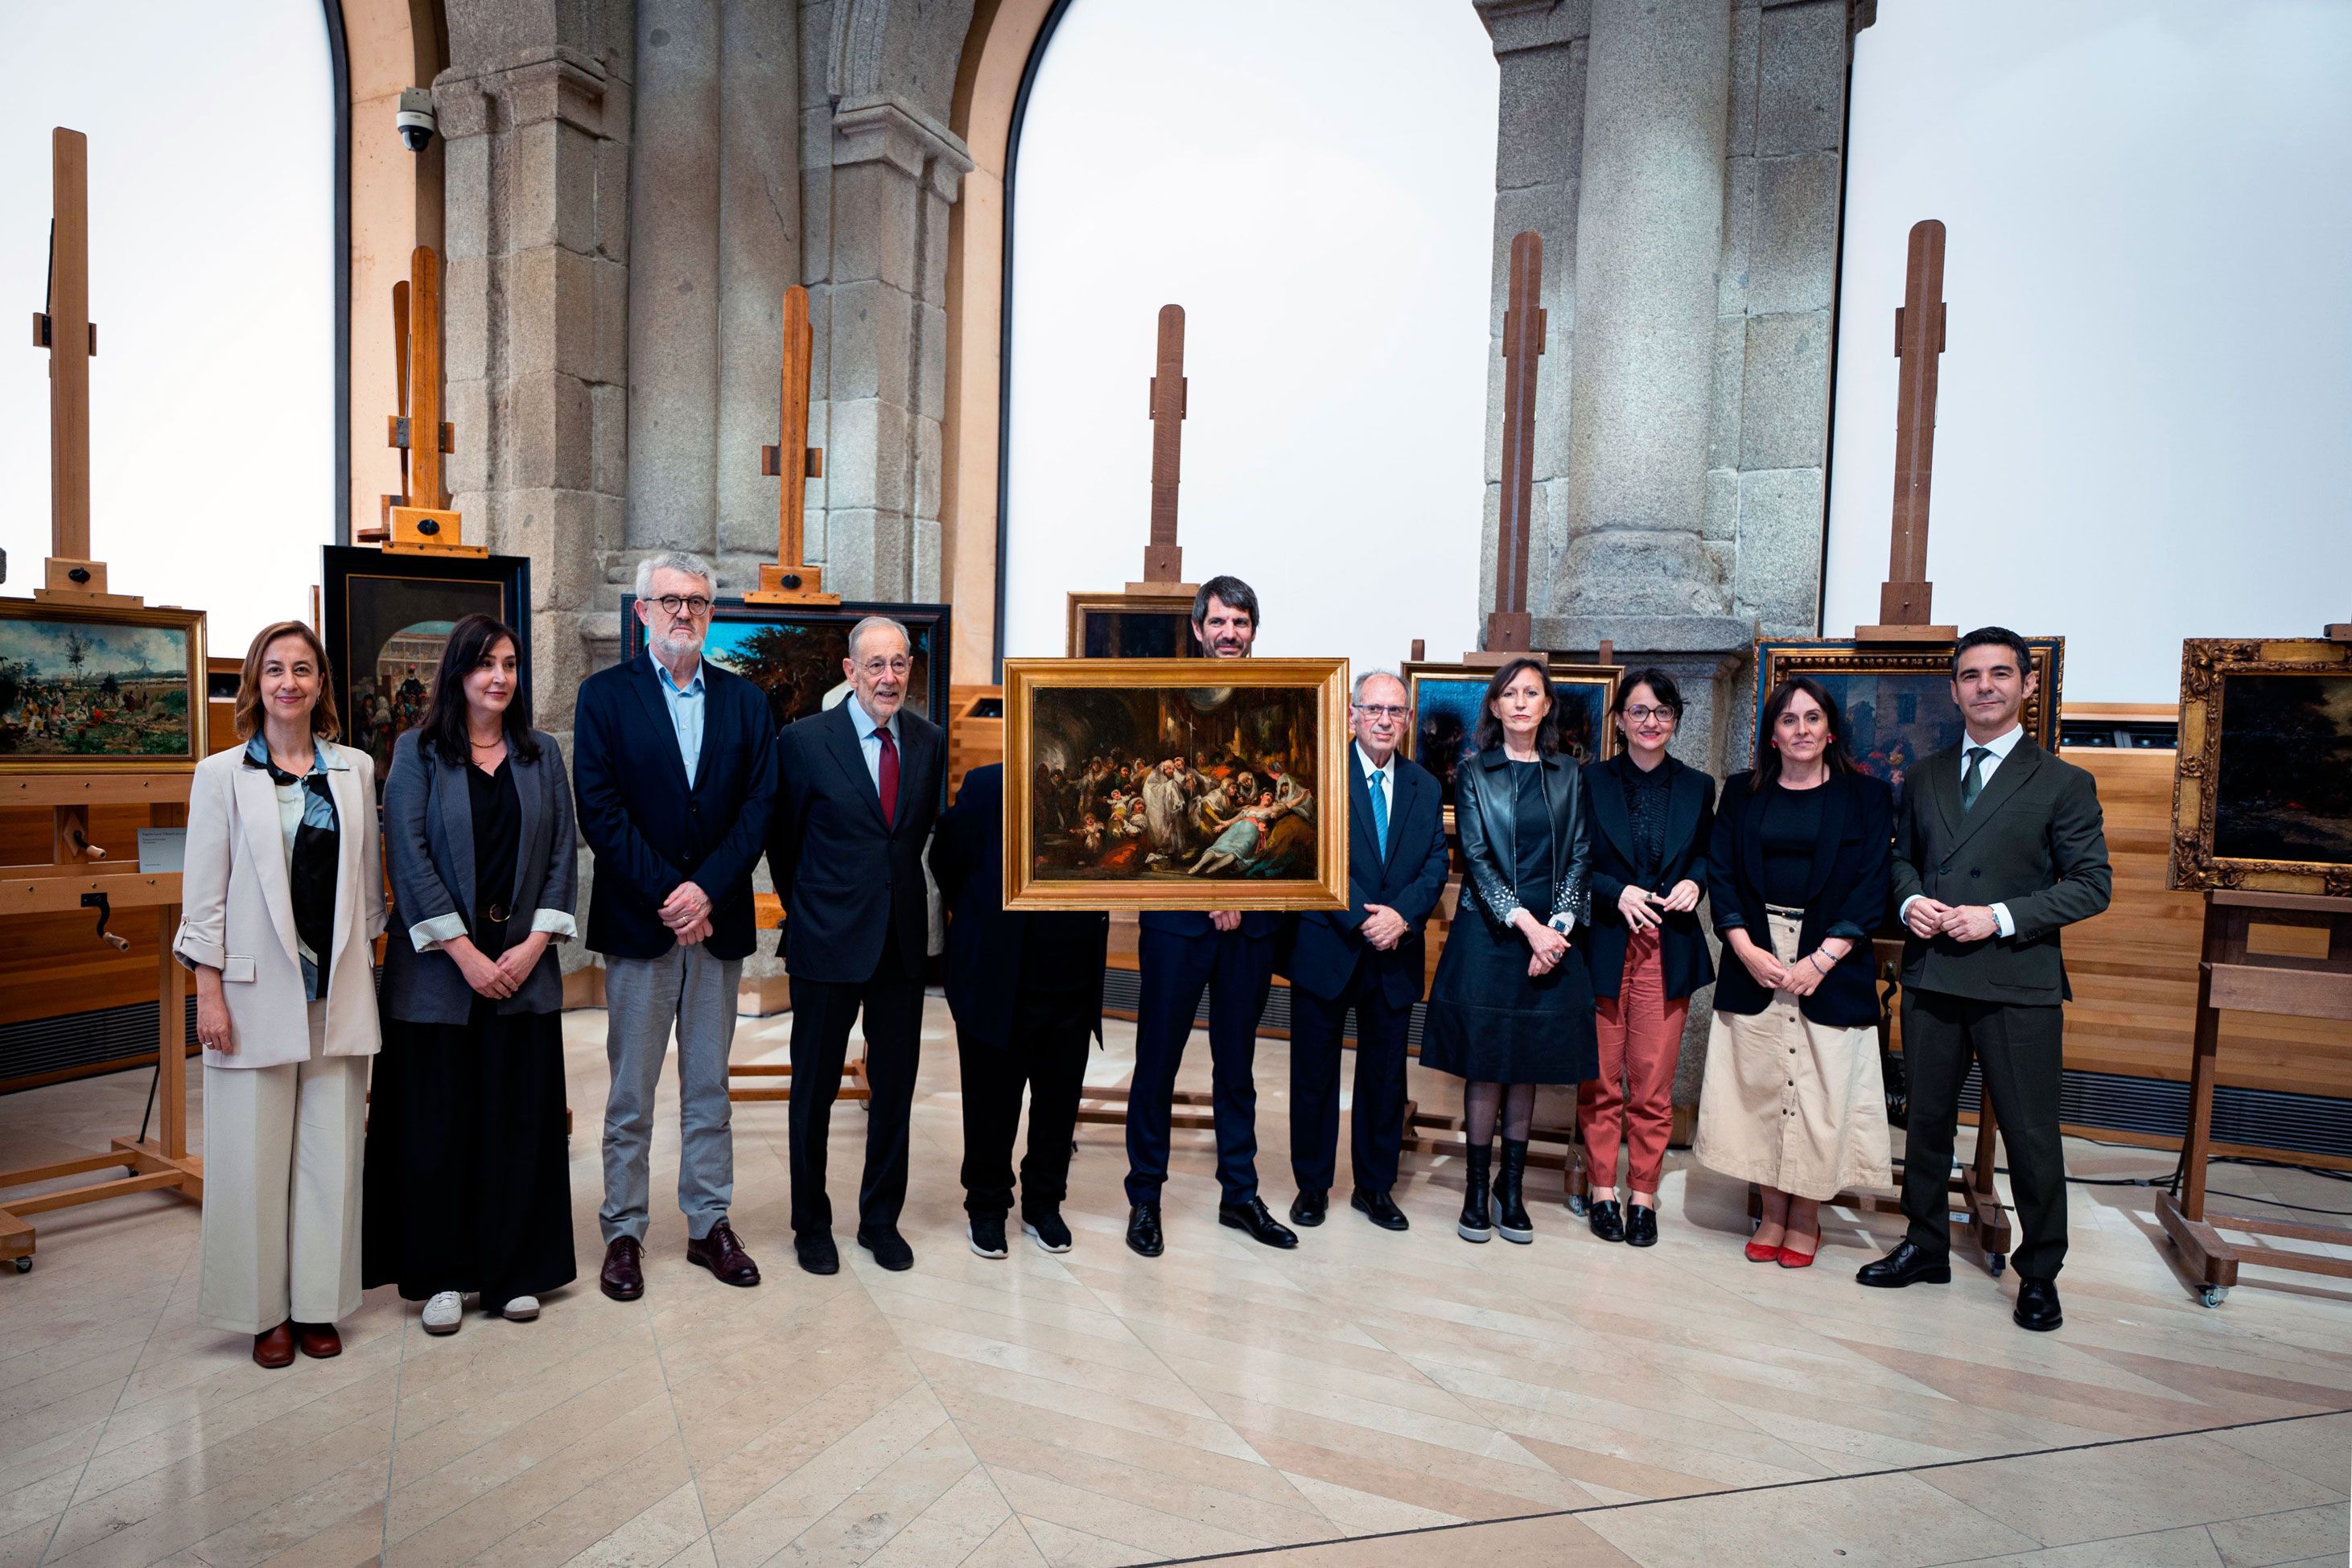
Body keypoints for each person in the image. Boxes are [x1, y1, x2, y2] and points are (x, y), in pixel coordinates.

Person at [1862, 628, 2111, 1332]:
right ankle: (1925, 1244)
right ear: (1952, 690)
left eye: (2000, 674)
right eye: (1970, 676)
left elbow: (2092, 886)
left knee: (2031, 1134)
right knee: (1926, 1123)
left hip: (2016, 983)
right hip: (1934, 975)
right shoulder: (1926, 774)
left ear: (2027, 686)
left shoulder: (2063, 782)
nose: (1984, 687)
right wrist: (1910, 901)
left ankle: (2039, 1273)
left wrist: (1998, 916)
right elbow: (1900, 860)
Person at [175, 623, 384, 1368]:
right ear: (253, 684)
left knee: (331, 1154)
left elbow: (367, 895)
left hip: (336, 992)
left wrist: (365, 975)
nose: (287, 682)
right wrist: (210, 993)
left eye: (302, 669)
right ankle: (265, 1314)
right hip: (252, 992)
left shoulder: (355, 770)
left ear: (321, 683)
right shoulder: (220, 774)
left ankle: (319, 1305)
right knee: (253, 1159)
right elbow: (202, 901)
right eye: (273, 669)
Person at [364, 615, 577, 1333]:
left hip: (523, 973)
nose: (499, 677)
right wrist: (466, 955)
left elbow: (561, 860)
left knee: (517, 1123)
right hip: (440, 978)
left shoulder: (540, 753)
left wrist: (530, 948)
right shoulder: (417, 751)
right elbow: (410, 859)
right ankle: (445, 1275)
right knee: (440, 1129)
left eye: (511, 664)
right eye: (485, 663)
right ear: (457, 672)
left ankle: (514, 1271)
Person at [574, 553, 778, 1301]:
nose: (682, 613)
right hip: (641, 923)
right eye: (669, 600)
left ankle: (708, 1224)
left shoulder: (744, 703)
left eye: (696, 601)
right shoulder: (604, 697)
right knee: (630, 1091)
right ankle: (623, 1230)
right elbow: (598, 807)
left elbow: (759, 806)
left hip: (715, 927)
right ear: (642, 611)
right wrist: (671, 891)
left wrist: (708, 889)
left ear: (711, 613)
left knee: (708, 1087)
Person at [1693, 677, 1893, 1269]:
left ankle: (1806, 1216)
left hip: (1832, 958)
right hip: (1754, 954)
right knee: (1760, 1087)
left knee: (1817, 1090)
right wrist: (1742, 945)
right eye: (1788, 719)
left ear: (1829, 730)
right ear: (1772, 733)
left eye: (1811, 718)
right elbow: (1720, 871)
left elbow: (1872, 882)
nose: (1800, 729)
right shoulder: (1741, 792)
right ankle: (1771, 1211)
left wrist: (1822, 958)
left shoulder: (1867, 797)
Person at [1124, 575, 1295, 1257]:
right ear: (1196, 627)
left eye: (1241, 622)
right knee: (1156, 1061)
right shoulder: (1162, 691)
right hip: (1174, 920)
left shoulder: (1282, 698)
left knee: (1238, 1064)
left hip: (1251, 920)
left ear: (1254, 630)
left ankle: (1240, 1194)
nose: (1230, 633)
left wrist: (1241, 893)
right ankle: (1145, 1198)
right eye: (1218, 621)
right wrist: (1206, 894)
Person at [769, 615, 945, 1274]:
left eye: (899, 664)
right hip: (824, 942)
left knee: (894, 1091)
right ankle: (810, 1224)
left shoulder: (927, 741)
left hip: (900, 945)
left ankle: (879, 1221)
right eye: (875, 665)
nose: (889, 677)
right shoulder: (805, 741)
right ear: (850, 671)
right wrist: (812, 908)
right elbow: (782, 842)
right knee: (812, 1091)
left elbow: (917, 836)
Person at [1420, 657, 1595, 1245]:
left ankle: (1511, 1189)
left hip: (1553, 935)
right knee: (1486, 1061)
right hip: (1493, 934)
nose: (1521, 702)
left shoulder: (1570, 772)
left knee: (1525, 1064)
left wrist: (1559, 926)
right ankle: (1475, 1192)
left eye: (1532, 693)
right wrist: (1529, 927)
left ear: (1547, 705)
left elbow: (1578, 853)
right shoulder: (1474, 771)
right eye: (1510, 693)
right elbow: (1475, 856)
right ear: (1494, 707)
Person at [1282, 671, 1450, 1233]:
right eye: (1373, 708)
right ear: (1351, 714)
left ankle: (1374, 1188)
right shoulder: (1320, 776)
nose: (1383, 719)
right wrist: (1363, 917)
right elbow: (1314, 853)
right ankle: (1311, 1186)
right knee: (1313, 1076)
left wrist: (1402, 916)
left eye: (1395, 710)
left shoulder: (1426, 786)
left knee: (1383, 1080)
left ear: (1406, 720)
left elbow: (1435, 864)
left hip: (1394, 953)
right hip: (1327, 946)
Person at [929, 762, 1110, 1257]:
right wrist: (982, 912)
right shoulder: (989, 783)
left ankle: (1044, 1205)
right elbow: (948, 858)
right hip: (999, 975)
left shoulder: (1097, 788)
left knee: (1057, 1105)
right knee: (992, 1104)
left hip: (1072, 977)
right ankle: (986, 1208)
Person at [1578, 669, 1717, 1248]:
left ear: (1676, 720)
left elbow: (1711, 856)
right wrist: (1616, 890)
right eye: (1638, 711)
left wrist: (1695, 883)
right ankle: (1600, 1190)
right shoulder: (1589, 780)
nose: (1650, 722)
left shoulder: (1698, 786)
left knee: (1653, 1086)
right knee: (1601, 1080)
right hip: (1605, 943)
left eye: (1661, 712)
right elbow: (1571, 861)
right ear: (1618, 721)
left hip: (1667, 945)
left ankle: (1642, 1193)